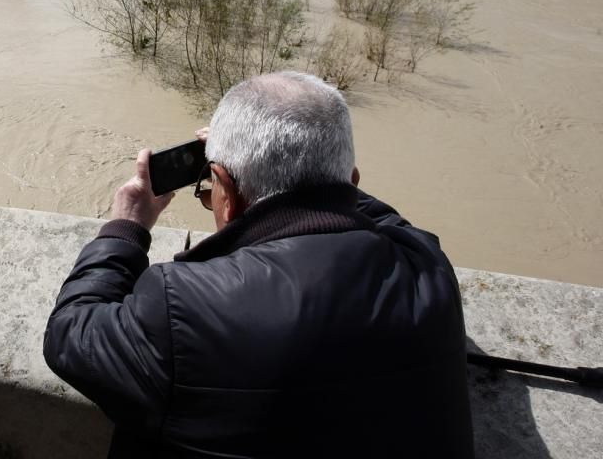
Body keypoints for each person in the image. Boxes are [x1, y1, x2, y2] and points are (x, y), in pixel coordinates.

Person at [44, 71, 473, 458]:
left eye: (211, 188)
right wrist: (304, 169)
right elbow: (379, 216)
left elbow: (71, 331)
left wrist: (126, 226)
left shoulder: (182, 307)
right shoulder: (427, 266)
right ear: (353, 183)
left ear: (226, 193)